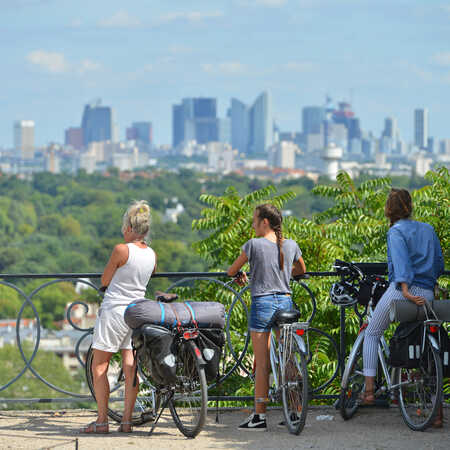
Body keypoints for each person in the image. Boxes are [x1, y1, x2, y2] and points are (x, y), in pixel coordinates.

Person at [361, 188, 445, 426]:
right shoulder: (428, 229)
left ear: (389, 209)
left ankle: (368, 391)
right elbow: (439, 263)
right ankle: (436, 412)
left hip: (404, 292)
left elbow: (401, 262)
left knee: (373, 331)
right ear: (410, 206)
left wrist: (406, 289)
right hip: (427, 293)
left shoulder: (396, 231)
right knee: (426, 348)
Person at [227, 204, 306, 431]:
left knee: (261, 364)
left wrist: (241, 275)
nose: (252, 224)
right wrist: (283, 273)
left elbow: (232, 271)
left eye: (254, 220)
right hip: (285, 302)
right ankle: (295, 410)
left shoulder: (253, 245)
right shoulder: (290, 245)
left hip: (262, 304)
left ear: (264, 222)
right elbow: (301, 269)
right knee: (288, 358)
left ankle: (259, 416)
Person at [81, 200, 156, 434]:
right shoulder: (152, 254)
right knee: (131, 366)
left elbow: (105, 280)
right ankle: (126, 422)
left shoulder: (121, 250)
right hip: (137, 312)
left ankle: (102, 421)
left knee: (100, 365)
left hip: (114, 311)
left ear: (130, 228)